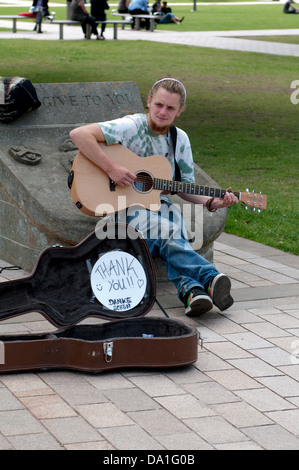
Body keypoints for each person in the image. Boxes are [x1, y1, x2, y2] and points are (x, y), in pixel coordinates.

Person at [69, 77, 239, 316]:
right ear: (148, 102)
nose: (163, 111)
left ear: (179, 111)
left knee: (173, 226)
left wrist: (213, 202)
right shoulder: (130, 126)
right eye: (159, 104)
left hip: (156, 205)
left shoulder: (180, 140)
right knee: (168, 230)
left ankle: (193, 292)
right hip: (120, 208)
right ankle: (208, 277)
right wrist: (112, 169)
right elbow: (79, 134)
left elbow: (185, 187)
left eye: (170, 108)